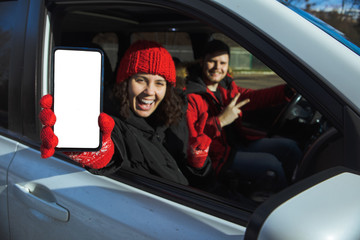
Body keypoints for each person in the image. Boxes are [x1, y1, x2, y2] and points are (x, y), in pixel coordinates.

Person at [40, 40, 211, 185]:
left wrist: (198, 164)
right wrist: (98, 153)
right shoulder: (110, 122)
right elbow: (113, 151)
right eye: (141, 80)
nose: (150, 91)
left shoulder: (175, 117)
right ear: (125, 83)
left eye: (159, 83)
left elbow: (198, 185)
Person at [185, 39, 302, 192]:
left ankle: (298, 188)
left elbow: (254, 98)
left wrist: (286, 91)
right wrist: (220, 121)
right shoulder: (191, 96)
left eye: (222, 63)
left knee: (290, 147)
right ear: (202, 62)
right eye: (212, 62)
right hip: (217, 157)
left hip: (237, 145)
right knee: (271, 165)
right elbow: (192, 142)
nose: (217, 67)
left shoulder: (226, 88)